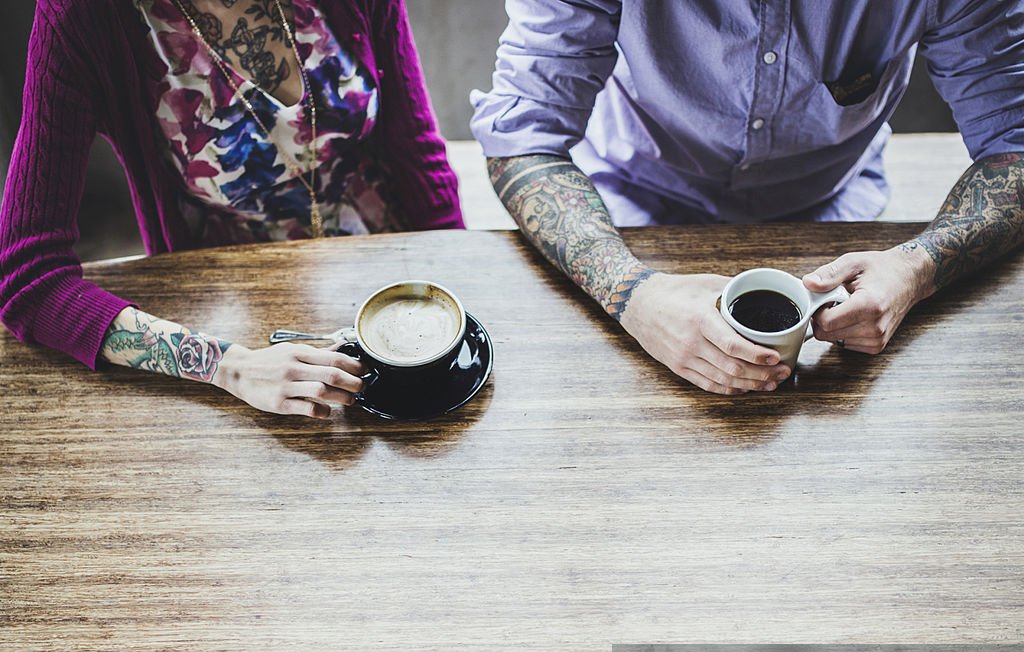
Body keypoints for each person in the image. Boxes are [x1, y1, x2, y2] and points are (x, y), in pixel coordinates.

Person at [471, 0, 1024, 395]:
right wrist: (631, 296)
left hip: (837, 217)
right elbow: (522, 140)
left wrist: (918, 266)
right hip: (627, 210)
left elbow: (1015, 143)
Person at [0, 0, 463, 419]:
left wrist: (459, 288)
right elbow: (27, 277)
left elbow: (419, 153)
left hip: (395, 271)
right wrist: (231, 367)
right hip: (235, 318)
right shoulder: (82, 17)